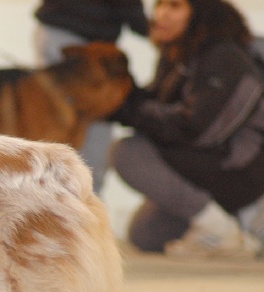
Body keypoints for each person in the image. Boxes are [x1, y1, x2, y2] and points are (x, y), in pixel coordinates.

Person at [109, 0, 264, 258]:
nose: (161, 14)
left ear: (201, 13)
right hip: (208, 165)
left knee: (128, 152)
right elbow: (154, 106)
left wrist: (123, 107)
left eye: (174, 6)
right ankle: (235, 223)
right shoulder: (178, 55)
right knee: (145, 234)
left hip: (240, 171)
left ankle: (221, 228)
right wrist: (120, 99)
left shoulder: (225, 56)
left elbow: (199, 130)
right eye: (159, 5)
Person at [34, 0, 149, 193]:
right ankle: (80, 214)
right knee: (83, 153)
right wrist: (152, 28)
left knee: (58, 145)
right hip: (80, 45)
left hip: (58, 33)